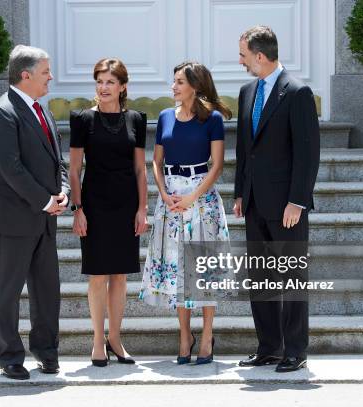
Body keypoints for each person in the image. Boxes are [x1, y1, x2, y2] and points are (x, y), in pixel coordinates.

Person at [0, 45, 70, 380]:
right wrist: (45, 200)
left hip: (43, 218)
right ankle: (10, 357)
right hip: (12, 219)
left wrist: (63, 192)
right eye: (46, 72)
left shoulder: (43, 111)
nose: (51, 77)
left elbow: (58, 162)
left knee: (47, 290)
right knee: (9, 289)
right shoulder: (1, 113)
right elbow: (10, 169)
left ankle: (47, 353)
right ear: (25, 75)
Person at [233, 26, 320, 373]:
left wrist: (297, 201)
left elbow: (307, 152)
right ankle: (269, 347)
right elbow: (245, 149)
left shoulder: (297, 93)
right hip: (254, 202)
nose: (239, 61)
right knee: (261, 280)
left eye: (242, 55)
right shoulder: (246, 91)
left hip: (287, 207)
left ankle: (295, 349)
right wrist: (240, 192)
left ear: (259, 55)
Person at [139, 61, 232, 365]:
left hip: (201, 197)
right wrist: (163, 192)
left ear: (195, 85)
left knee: (202, 271)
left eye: (180, 82)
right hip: (170, 199)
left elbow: (216, 164)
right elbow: (156, 160)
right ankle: (183, 336)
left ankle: (206, 335)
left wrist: (193, 195)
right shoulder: (165, 116)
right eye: (174, 81)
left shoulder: (212, 119)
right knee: (177, 268)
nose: (174, 86)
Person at [69, 58, 149, 367]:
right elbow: (75, 170)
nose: (103, 87)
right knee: (98, 275)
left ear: (122, 87)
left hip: (126, 205)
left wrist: (143, 209)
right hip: (95, 205)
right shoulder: (82, 119)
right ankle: (97, 341)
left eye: (110, 82)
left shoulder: (136, 119)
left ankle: (115, 337)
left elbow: (141, 170)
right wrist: (78, 209)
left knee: (120, 275)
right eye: (99, 81)